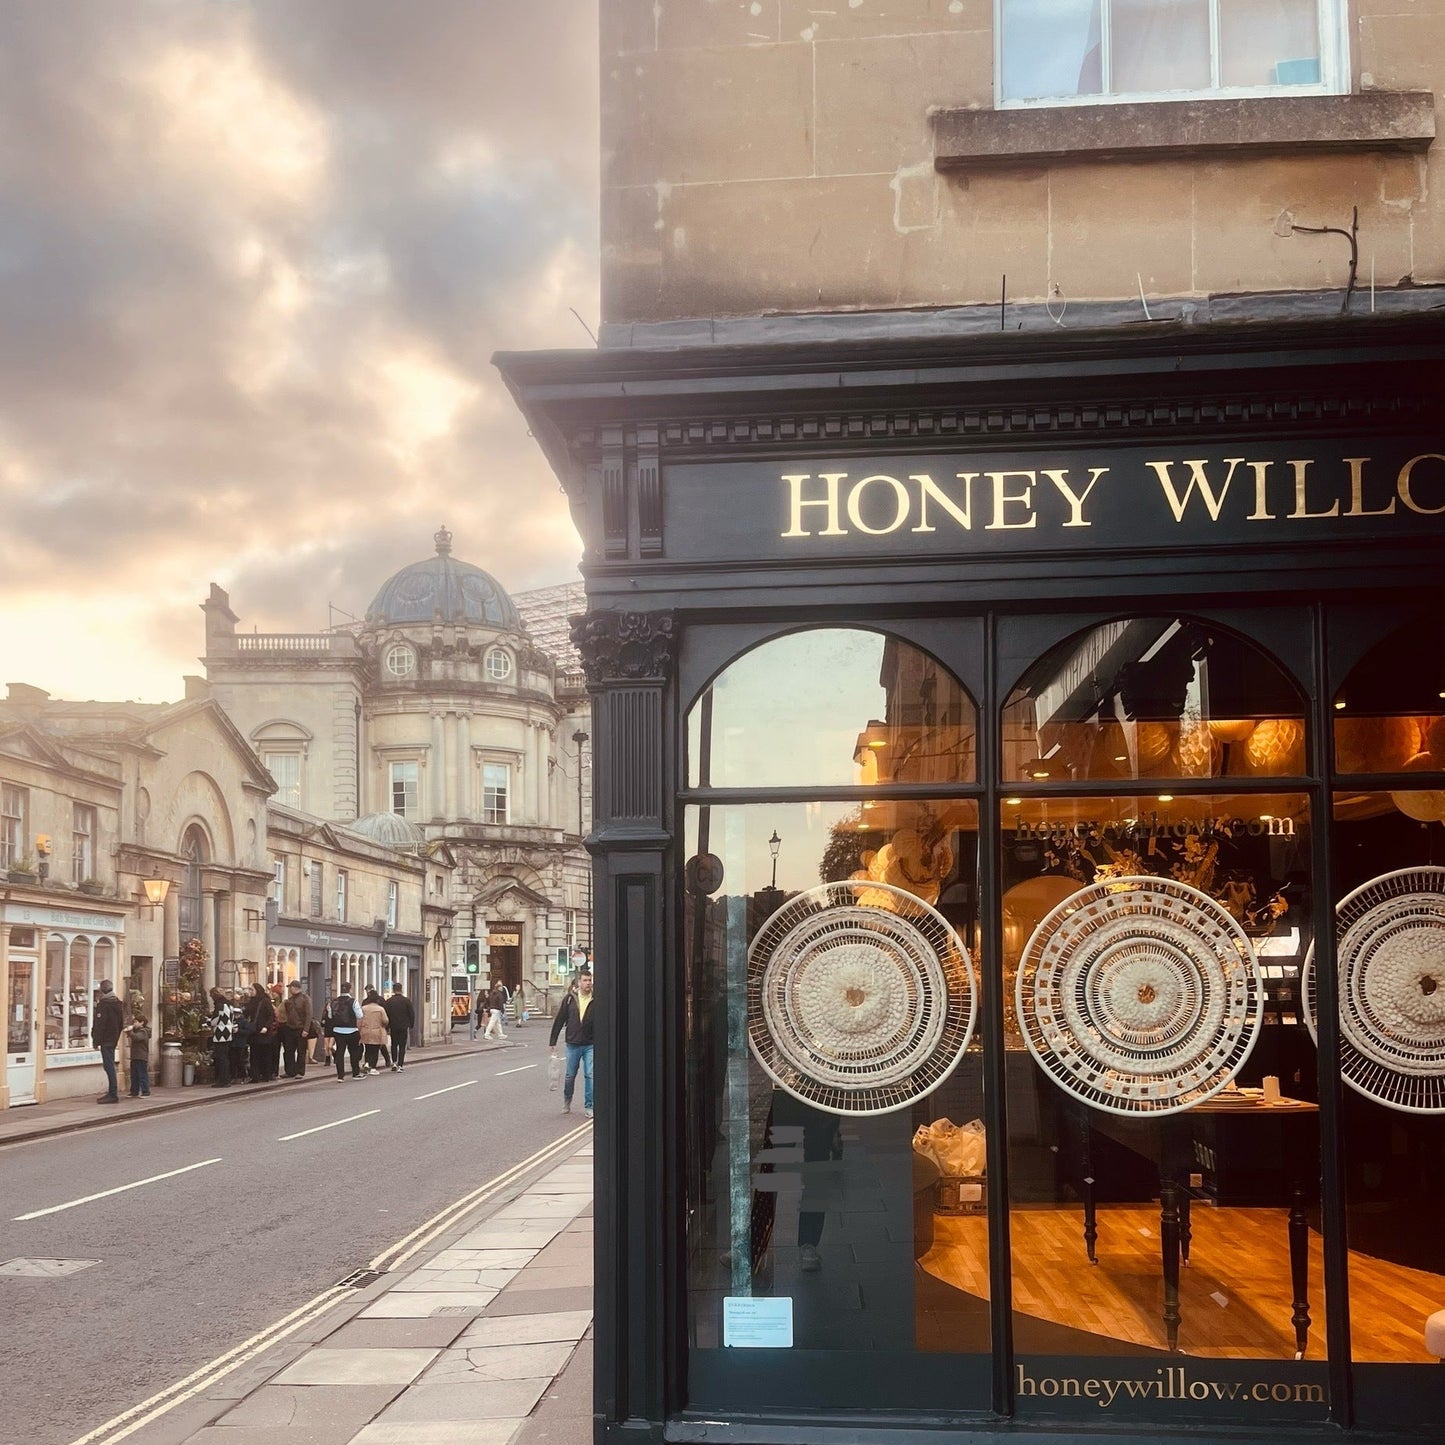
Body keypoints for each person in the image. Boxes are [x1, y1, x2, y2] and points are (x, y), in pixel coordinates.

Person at [549, 968, 595, 1118]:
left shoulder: (596, 998)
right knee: (570, 1076)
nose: (588, 983)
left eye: (590, 980)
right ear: (579, 982)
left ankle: (589, 1106)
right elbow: (560, 1019)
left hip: (590, 1043)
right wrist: (553, 1040)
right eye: (585, 980)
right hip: (573, 1043)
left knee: (590, 1074)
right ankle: (567, 1101)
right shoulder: (569, 998)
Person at [92, 979, 125, 1103]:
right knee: (110, 1065)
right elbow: (121, 1023)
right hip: (113, 1039)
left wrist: (96, 1040)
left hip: (106, 1040)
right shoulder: (118, 1003)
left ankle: (112, 1093)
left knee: (109, 1066)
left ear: (102, 990)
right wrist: (116, 1036)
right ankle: (112, 1091)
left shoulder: (104, 1005)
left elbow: (100, 1025)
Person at [325, 984, 362, 1080]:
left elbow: (330, 1016)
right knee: (353, 1052)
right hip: (352, 1030)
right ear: (350, 990)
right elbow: (360, 1015)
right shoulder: (353, 1002)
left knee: (340, 1052)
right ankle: (355, 1073)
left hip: (337, 1030)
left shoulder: (333, 1002)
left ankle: (340, 1076)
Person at [242, 982, 277, 1083]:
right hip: (254, 1031)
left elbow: (271, 1016)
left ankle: (266, 1075)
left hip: (264, 1032)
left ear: (257, 990)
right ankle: (255, 1076)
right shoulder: (251, 1002)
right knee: (254, 1055)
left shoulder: (265, 1001)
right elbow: (246, 1013)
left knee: (265, 1054)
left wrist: (266, 1027)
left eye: (252, 990)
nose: (250, 992)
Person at [280, 980, 312, 1078]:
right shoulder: (289, 1000)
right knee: (289, 1051)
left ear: (295, 988)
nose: (289, 989)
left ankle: (300, 1071)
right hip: (290, 1028)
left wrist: (306, 1029)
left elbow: (309, 1015)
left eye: (290, 987)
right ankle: (290, 1071)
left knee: (301, 1051)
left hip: (300, 1028)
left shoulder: (305, 999)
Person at [205, 987, 235, 1087]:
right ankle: (227, 1079)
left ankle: (223, 1080)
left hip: (220, 1033)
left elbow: (215, 1020)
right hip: (228, 1032)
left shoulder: (219, 1005)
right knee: (225, 1057)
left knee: (221, 1057)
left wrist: (207, 1021)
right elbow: (231, 1017)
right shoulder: (229, 1004)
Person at [383, 983, 415, 1072]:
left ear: (393, 990)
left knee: (394, 1045)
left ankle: (394, 1062)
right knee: (402, 1046)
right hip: (403, 1026)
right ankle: (400, 1065)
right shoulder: (406, 1001)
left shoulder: (389, 1001)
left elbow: (386, 1015)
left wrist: (387, 1026)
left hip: (393, 1026)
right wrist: (411, 1024)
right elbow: (411, 1014)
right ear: (401, 989)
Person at [359, 988, 389, 1075]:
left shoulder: (363, 1008)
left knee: (368, 1049)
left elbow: (359, 1019)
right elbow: (385, 1020)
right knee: (375, 1050)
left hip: (365, 1031)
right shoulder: (380, 1009)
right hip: (377, 1031)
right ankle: (373, 1068)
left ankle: (367, 1063)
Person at [126, 1013, 152, 1098]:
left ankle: (145, 1092)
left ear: (142, 1023)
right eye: (134, 1022)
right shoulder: (137, 1031)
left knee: (142, 1074)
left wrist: (130, 1031)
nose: (134, 1024)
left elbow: (137, 1038)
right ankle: (134, 1091)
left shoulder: (143, 1031)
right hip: (135, 1056)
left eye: (136, 1022)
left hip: (141, 1056)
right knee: (134, 1075)